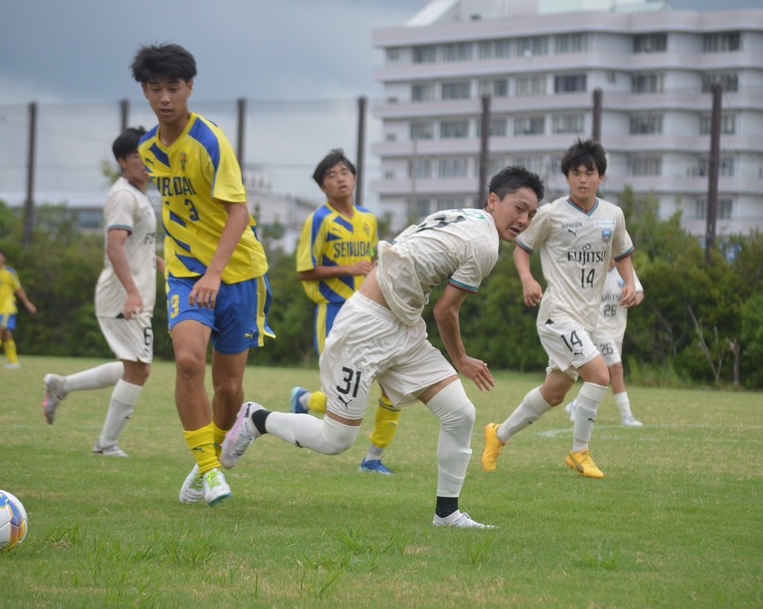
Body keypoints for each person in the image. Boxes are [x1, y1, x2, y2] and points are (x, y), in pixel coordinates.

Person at [222, 165, 544, 528]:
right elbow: (446, 311)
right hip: (368, 327)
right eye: (519, 208)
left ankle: (447, 514)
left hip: (403, 326)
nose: (524, 219)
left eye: (531, 214)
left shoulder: (463, 216)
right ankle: (256, 419)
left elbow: (408, 242)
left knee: (460, 414)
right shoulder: (484, 243)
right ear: (493, 201)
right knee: (337, 438)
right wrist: (462, 360)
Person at [132, 43, 273, 507]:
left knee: (229, 388)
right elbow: (176, 211)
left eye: (173, 87)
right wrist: (182, 265)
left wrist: (216, 273)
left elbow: (238, 214)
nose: (165, 97)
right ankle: (211, 473)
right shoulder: (148, 149)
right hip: (186, 275)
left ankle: (206, 458)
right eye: (155, 88)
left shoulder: (210, 140)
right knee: (189, 361)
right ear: (146, 92)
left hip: (239, 274)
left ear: (190, 87)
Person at [482, 138, 635, 480]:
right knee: (600, 374)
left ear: (601, 178)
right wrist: (527, 279)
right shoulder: (550, 214)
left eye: (589, 173)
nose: (582, 179)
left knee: (554, 393)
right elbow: (522, 248)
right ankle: (580, 452)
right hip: (556, 313)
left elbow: (623, 254)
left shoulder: (613, 215)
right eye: (575, 173)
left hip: (586, 318)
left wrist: (629, 284)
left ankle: (498, 434)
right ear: (567, 177)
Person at [42, 126, 164, 457]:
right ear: (123, 161)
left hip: (134, 292)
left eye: (150, 152)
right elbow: (114, 247)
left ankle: (62, 386)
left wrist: (153, 261)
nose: (147, 160)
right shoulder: (124, 196)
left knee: (132, 366)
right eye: (140, 154)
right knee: (140, 369)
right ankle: (106, 444)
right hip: (124, 296)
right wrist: (132, 292)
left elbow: (131, 244)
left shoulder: (138, 194)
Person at [290, 148, 400, 475]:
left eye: (344, 172)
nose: (340, 179)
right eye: (331, 175)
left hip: (372, 312)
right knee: (347, 395)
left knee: (394, 388)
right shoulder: (318, 219)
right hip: (334, 312)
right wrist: (348, 268)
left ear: (354, 177)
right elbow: (304, 271)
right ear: (322, 187)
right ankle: (306, 401)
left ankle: (373, 458)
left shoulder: (368, 218)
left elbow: (373, 263)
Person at [565, 260, 644, 427]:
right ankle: (627, 416)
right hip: (599, 328)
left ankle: (576, 405)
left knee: (604, 375)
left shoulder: (626, 270)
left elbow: (639, 293)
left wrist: (633, 298)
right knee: (616, 368)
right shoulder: (593, 270)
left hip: (618, 330)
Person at [0, 248, 37, 369]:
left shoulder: (10, 272)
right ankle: (14, 362)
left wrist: (27, 303)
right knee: (6, 335)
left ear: (4, 259)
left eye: (0, 256)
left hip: (8, 307)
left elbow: (18, 289)